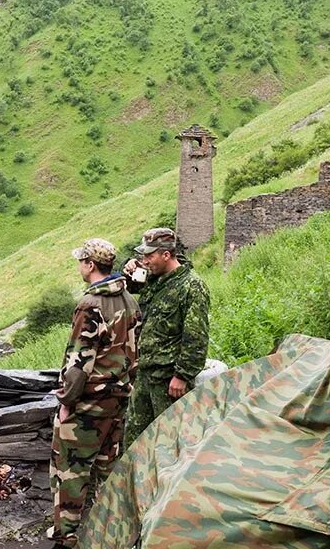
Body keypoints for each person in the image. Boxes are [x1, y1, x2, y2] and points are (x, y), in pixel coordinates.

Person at [48, 239, 141, 549]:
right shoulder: (129, 300)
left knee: (71, 472)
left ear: (89, 265)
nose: (79, 267)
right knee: (107, 470)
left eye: (81, 262)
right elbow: (133, 351)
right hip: (118, 399)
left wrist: (66, 403)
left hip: (88, 405)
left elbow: (78, 363)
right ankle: (109, 536)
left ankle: (67, 539)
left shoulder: (90, 305)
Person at [122, 228, 210, 445]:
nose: (145, 260)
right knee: (134, 442)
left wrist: (182, 375)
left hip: (168, 381)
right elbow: (131, 286)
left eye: (149, 256)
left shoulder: (191, 286)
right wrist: (129, 267)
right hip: (145, 375)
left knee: (170, 443)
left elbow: (196, 338)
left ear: (166, 255)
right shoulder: (154, 279)